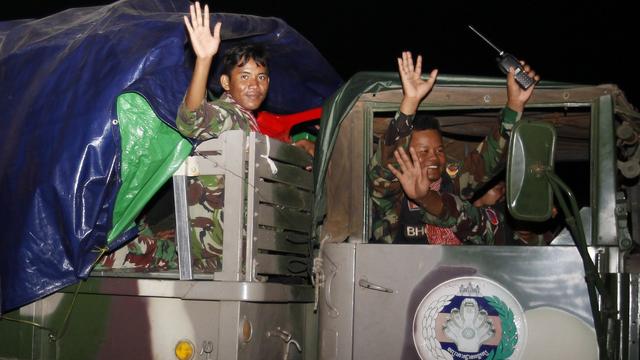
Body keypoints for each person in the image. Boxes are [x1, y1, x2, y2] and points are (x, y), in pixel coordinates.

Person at [369, 51, 539, 245]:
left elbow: (488, 159)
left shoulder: (453, 182)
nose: (434, 158)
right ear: (405, 155)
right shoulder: (392, 192)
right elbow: (386, 164)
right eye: (423, 152)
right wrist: (410, 103)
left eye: (439, 150)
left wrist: (515, 104)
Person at [177, 1, 317, 157]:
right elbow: (192, 120)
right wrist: (203, 60)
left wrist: (297, 148)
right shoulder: (231, 115)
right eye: (244, 76)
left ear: (268, 83)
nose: (254, 85)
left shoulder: (248, 121)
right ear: (226, 82)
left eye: (261, 77)